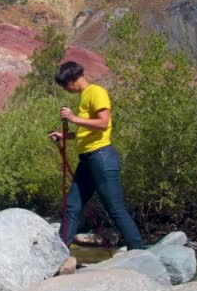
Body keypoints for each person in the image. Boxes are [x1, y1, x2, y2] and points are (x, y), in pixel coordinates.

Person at [48, 61, 143, 250]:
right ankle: (58, 252)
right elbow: (87, 130)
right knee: (72, 206)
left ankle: (140, 252)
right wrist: (65, 135)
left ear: (72, 79)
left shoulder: (96, 92)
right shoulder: (85, 96)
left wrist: (73, 118)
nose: (66, 89)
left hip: (101, 157)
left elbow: (103, 123)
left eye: (65, 85)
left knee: (115, 209)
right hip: (88, 159)